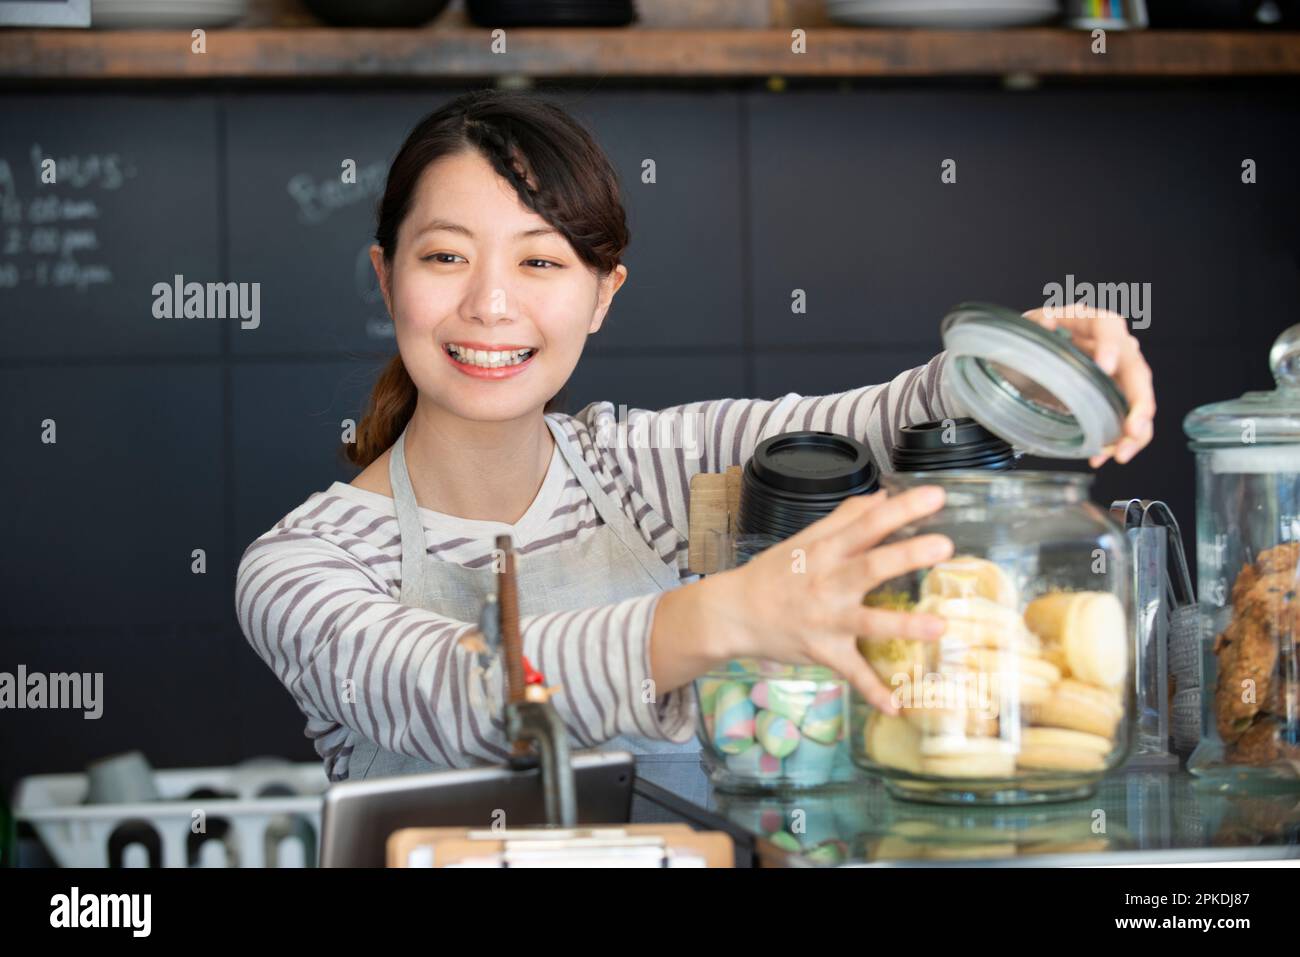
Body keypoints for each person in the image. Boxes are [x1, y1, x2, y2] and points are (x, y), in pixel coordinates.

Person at [235, 89, 1156, 797]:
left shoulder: (645, 467)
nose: (490, 303)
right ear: (385, 275)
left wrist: (1022, 366)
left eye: (541, 259)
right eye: (445, 256)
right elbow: (466, 698)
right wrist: (724, 615)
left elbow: (880, 425)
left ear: (602, 295)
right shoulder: (302, 565)